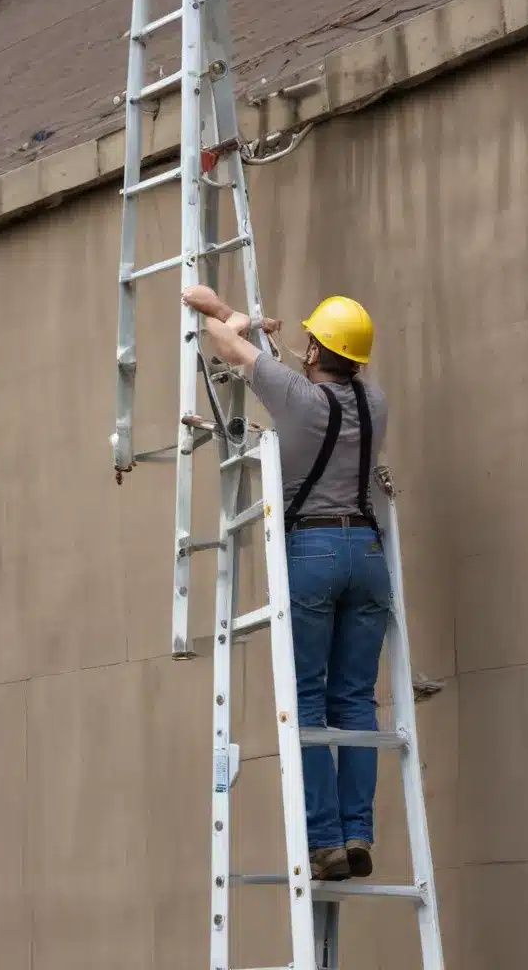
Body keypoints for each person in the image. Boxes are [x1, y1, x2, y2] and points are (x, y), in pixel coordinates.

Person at [181, 285, 391, 882]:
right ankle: (357, 834)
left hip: (314, 550)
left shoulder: (297, 397)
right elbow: (268, 361)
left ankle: (324, 842)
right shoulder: (375, 403)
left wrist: (232, 318)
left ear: (313, 351)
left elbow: (222, 344)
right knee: (355, 699)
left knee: (306, 695)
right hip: (368, 553)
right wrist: (236, 318)